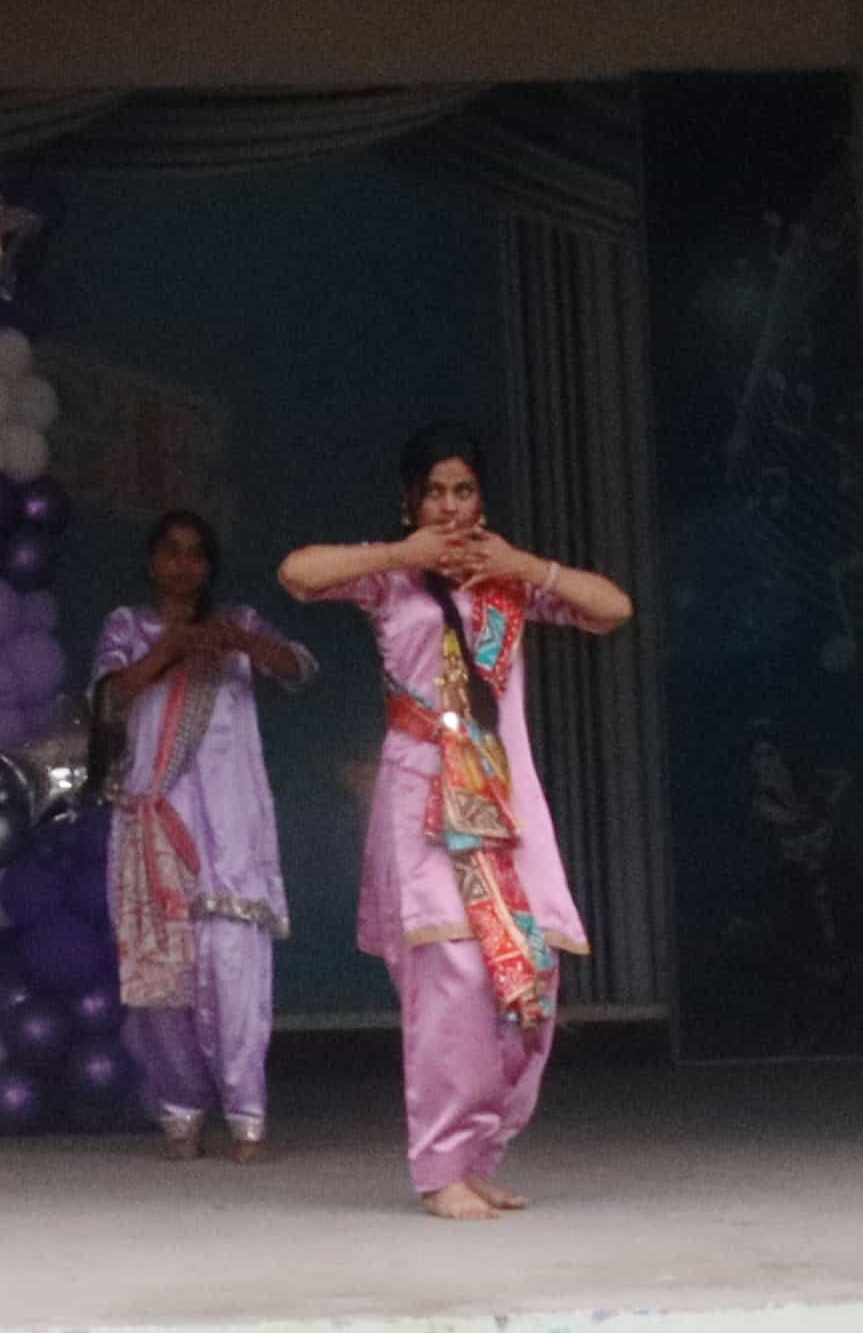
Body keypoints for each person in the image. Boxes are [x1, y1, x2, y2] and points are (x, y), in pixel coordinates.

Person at [272, 426, 635, 1219]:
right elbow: (298, 572)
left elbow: (614, 608)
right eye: (434, 490)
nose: (449, 504)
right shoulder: (391, 578)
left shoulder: (507, 583)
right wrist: (404, 552)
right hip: (423, 802)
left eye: (463, 489)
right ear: (411, 499)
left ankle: (477, 1156)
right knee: (454, 977)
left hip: (504, 807)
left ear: (482, 499)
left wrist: (524, 565)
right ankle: (439, 1168)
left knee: (529, 976)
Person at [94, 509, 312, 1162]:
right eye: (171, 551)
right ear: (152, 561)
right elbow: (110, 697)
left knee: (236, 968)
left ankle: (247, 1113)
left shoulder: (237, 623)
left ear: (209, 565)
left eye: (196, 553)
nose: (183, 564)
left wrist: (240, 643)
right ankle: (180, 1110)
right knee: (164, 977)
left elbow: (299, 669)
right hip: (156, 820)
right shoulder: (127, 626)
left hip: (231, 827)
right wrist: (172, 649)